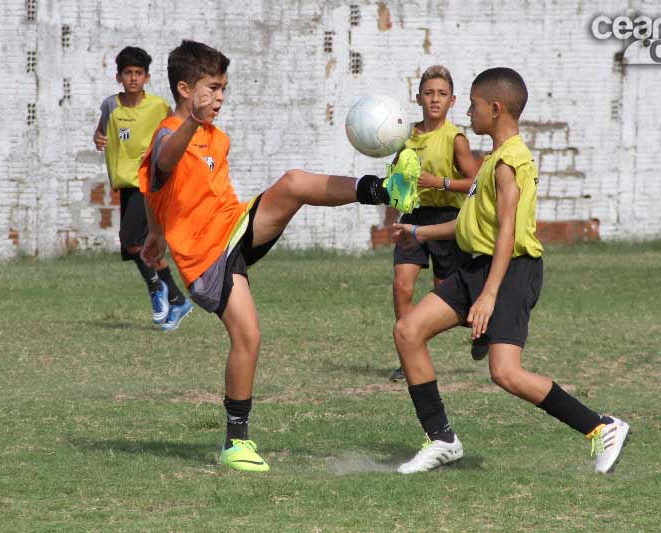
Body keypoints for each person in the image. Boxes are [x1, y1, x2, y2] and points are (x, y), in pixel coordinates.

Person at [138, 40, 414, 472]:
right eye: (214, 88)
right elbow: (163, 164)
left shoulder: (215, 138)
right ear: (186, 89)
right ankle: (236, 443)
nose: (222, 98)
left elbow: (156, 192)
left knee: (293, 183)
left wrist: (154, 233)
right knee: (248, 337)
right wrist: (190, 122)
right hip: (206, 260)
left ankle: (384, 189)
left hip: (234, 227)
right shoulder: (170, 134)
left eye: (225, 88)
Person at [390, 67, 630, 475]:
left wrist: (488, 295)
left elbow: (507, 232)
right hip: (478, 267)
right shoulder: (492, 161)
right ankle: (442, 439)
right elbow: (470, 223)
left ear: (496, 108)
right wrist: (418, 230)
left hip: (511, 271)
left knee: (505, 372)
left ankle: (600, 426)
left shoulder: (508, 162)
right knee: (408, 331)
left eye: (473, 104)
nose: (468, 111)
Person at [388, 65, 480, 383]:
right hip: (413, 216)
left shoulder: (455, 139)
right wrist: (395, 186)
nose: (435, 100)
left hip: (447, 221)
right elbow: (396, 178)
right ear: (418, 99)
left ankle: (484, 327)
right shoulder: (405, 136)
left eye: (441, 94)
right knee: (402, 285)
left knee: (446, 295)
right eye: (429, 93)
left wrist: (438, 182)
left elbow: (474, 183)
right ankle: (407, 356)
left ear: (452, 100)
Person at [93, 46, 192, 331]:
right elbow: (101, 131)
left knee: (132, 240)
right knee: (135, 246)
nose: (133, 78)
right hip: (125, 183)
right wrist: (99, 138)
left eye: (138, 73)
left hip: (148, 182)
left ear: (147, 78)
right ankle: (173, 296)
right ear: (118, 77)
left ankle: (160, 292)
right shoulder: (110, 105)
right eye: (128, 73)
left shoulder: (159, 106)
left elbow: (174, 130)